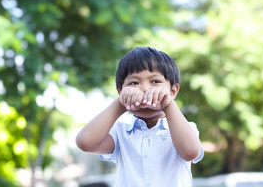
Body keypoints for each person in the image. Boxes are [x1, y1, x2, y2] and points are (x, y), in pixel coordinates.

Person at [76, 46, 204, 187]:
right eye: (134, 83)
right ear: (121, 92)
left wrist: (168, 103)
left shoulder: (185, 128)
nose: (144, 89)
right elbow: (85, 143)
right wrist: (120, 104)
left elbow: (190, 152)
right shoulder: (120, 133)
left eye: (155, 81)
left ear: (173, 91)